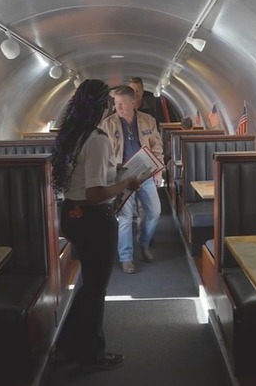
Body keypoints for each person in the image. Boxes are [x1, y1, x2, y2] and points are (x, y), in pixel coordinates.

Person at [49, 79, 141, 372]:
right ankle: (92, 354)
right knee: (95, 289)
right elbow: (95, 193)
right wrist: (126, 182)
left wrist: (116, 171)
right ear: (102, 106)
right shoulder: (97, 139)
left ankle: (66, 345)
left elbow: (84, 177)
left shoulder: (72, 135)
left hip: (71, 214)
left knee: (87, 285)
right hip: (93, 218)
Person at [99, 86, 164, 274]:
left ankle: (143, 242)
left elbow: (157, 148)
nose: (118, 107)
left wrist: (158, 171)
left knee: (154, 212)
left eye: (122, 103)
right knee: (125, 218)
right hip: (121, 176)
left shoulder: (148, 120)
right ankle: (126, 257)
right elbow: (103, 153)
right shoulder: (107, 124)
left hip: (145, 173)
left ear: (133, 103)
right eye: (116, 103)